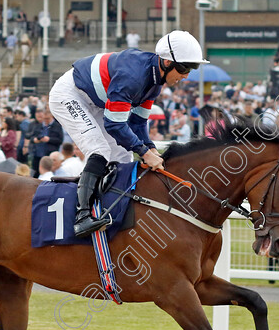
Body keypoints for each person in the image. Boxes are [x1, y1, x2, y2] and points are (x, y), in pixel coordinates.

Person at [49, 30, 204, 237]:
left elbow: (138, 123)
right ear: (167, 62)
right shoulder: (134, 77)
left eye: (191, 69)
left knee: (123, 156)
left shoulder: (154, 83)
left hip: (97, 101)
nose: (186, 76)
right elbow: (114, 125)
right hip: (70, 94)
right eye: (185, 68)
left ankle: (113, 210)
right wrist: (144, 152)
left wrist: (149, 148)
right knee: (100, 150)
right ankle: (82, 217)